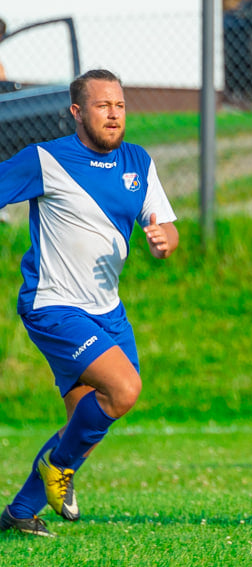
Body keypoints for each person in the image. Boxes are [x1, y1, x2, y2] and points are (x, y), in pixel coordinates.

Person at [0, 69, 179, 537]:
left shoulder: (138, 162)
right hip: (53, 305)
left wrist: (164, 241)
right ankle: (58, 469)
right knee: (124, 389)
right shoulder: (46, 159)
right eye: (103, 106)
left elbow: (166, 225)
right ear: (77, 112)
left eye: (119, 105)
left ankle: (19, 513)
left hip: (108, 310)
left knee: (86, 427)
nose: (114, 114)